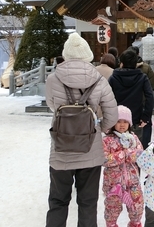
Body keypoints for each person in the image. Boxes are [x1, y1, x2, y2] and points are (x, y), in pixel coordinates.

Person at [45, 32, 118, 227]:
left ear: (66, 55)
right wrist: (97, 128)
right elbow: (112, 115)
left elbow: (52, 106)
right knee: (87, 202)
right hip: (90, 151)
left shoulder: (53, 79)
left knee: (58, 201)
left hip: (61, 149)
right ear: (88, 55)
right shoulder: (99, 80)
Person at [102, 105, 144, 227]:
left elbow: (140, 154)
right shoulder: (107, 140)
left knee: (137, 206)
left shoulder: (134, 138)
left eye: (125, 122)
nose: (122, 124)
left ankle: (135, 223)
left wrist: (130, 154)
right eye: (119, 121)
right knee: (112, 208)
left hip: (133, 182)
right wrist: (122, 155)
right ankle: (111, 224)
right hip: (113, 183)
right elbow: (104, 159)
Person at [108, 48, 154, 146]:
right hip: (136, 119)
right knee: (136, 150)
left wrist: (109, 117)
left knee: (117, 150)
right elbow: (150, 97)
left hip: (117, 121)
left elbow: (106, 98)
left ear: (121, 63)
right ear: (136, 64)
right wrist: (146, 117)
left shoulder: (113, 78)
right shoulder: (142, 77)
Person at [129, 45, 154, 149]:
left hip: (129, 102)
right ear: (138, 54)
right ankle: (145, 146)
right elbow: (152, 81)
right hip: (144, 101)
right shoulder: (146, 67)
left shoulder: (121, 70)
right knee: (146, 124)